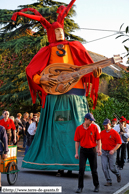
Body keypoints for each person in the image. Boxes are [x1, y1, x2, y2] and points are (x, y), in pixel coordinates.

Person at [11, 0, 101, 172]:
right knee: (57, 132)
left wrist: (95, 73)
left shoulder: (75, 46)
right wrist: (42, 80)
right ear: (50, 33)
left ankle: (76, 162)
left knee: (76, 129)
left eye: (60, 30)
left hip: (75, 94)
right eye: (55, 31)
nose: (59, 33)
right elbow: (32, 70)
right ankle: (56, 163)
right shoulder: (46, 50)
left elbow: (85, 67)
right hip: (54, 96)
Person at [74, 113, 101, 193]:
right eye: (90, 120)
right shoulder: (78, 128)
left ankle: (96, 185)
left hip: (92, 150)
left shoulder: (94, 127)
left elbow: (98, 139)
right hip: (83, 151)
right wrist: (76, 153)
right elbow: (77, 141)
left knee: (94, 170)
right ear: (86, 119)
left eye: (92, 120)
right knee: (81, 169)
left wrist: (99, 149)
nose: (92, 122)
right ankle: (80, 187)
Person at [100, 118, 122, 186]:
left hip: (111, 152)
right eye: (104, 125)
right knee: (104, 167)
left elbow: (119, 143)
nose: (105, 127)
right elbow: (98, 141)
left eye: (106, 125)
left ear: (109, 124)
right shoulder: (102, 133)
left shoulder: (114, 133)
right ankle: (109, 181)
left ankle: (118, 174)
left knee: (112, 167)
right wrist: (98, 149)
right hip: (104, 152)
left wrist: (113, 150)